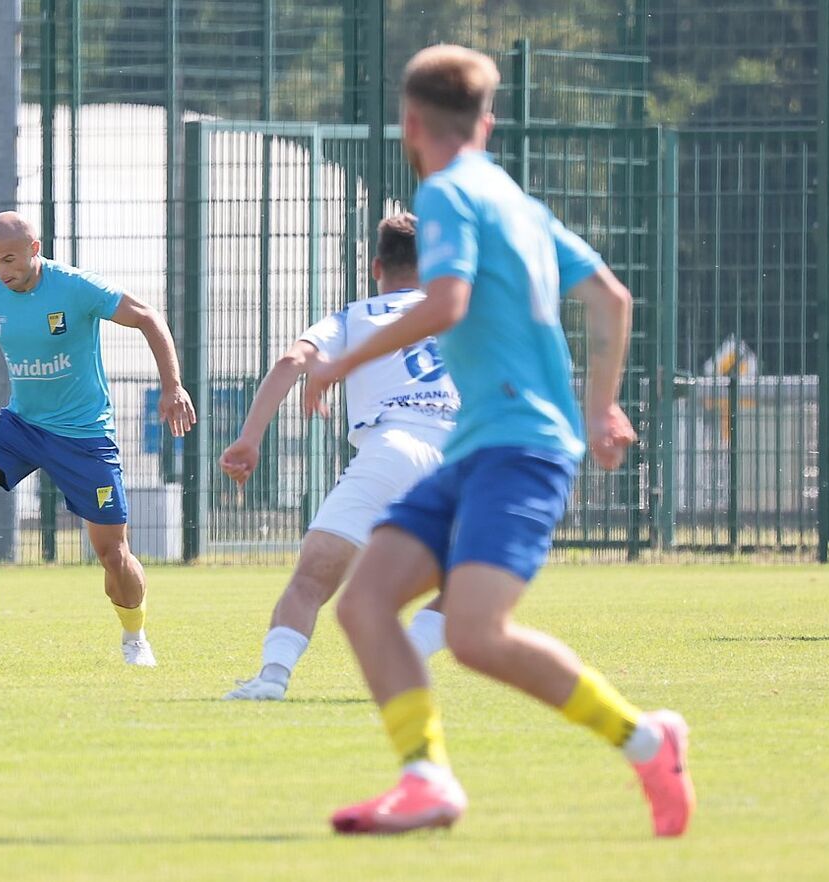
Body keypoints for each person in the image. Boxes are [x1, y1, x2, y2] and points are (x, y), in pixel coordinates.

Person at [303, 45, 694, 836]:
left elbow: (445, 301)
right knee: (367, 601)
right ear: (487, 121)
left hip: (519, 449)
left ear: (411, 123)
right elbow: (611, 300)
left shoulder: (446, 193)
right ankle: (426, 779)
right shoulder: (515, 201)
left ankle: (648, 742)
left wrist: (343, 360)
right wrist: (600, 406)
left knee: (477, 635)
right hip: (478, 448)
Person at [0, 211, 196, 667]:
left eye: (9, 259)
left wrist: (172, 386)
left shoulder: (75, 287)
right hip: (22, 425)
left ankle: (134, 637)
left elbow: (148, 317)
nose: (1, 271)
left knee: (113, 555)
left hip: (84, 437)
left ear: (34, 249)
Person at [218, 213, 458, 701]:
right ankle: (406, 653)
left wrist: (249, 439)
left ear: (376, 268)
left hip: (388, 450)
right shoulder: (456, 315)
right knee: (472, 580)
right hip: (458, 457)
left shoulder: (354, 316)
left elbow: (291, 361)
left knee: (312, 579)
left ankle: (272, 678)